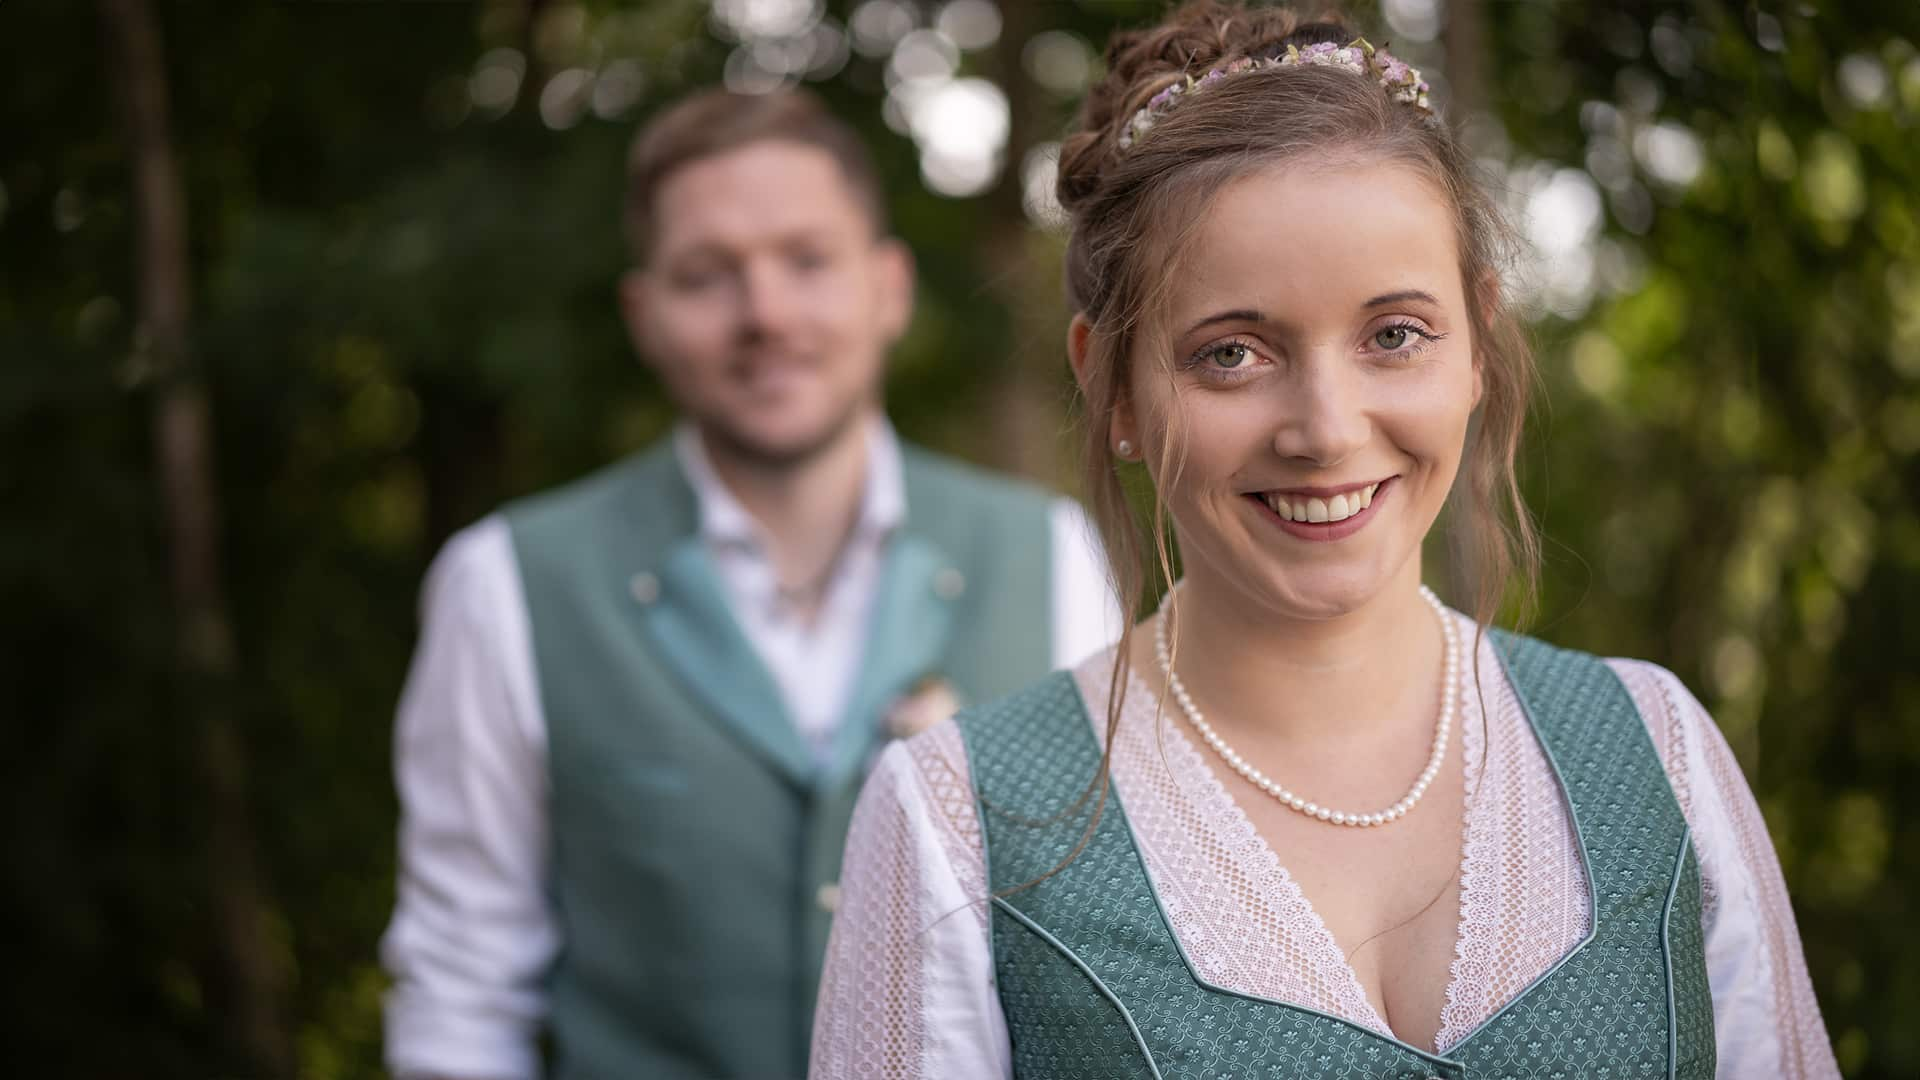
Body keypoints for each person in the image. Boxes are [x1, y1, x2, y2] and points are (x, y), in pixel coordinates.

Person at [809, 4, 1841, 1077]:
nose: (1326, 431)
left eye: (1394, 335)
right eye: (1232, 355)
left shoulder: (1660, 751)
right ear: (1108, 382)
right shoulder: (954, 824)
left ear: (1478, 342)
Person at [379, 87, 1118, 1080]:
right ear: (644, 315)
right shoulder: (506, 584)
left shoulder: (1050, 555)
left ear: (888, 287)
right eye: (706, 275)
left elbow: (1094, 956)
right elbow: (462, 992)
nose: (764, 314)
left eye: (807, 261)